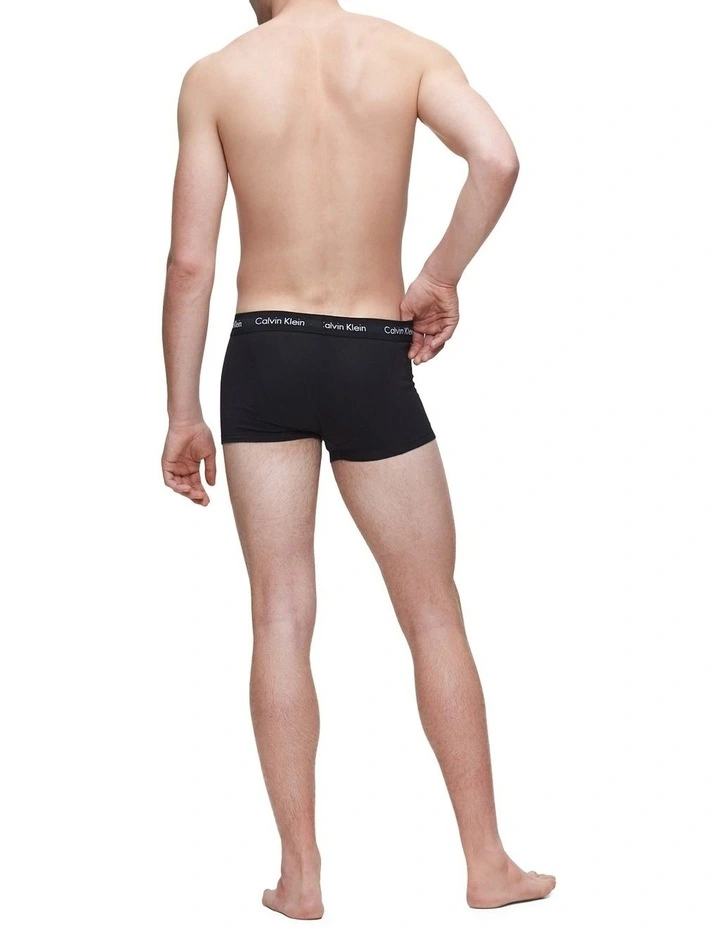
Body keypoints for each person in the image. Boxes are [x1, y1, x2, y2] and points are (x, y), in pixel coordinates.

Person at [161, 0, 555, 919]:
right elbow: (497, 158)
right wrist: (440, 275)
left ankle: (301, 877)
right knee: (432, 614)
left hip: (264, 350)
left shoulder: (217, 75)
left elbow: (190, 263)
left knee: (280, 617)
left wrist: (182, 412)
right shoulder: (408, 53)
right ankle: (488, 864)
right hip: (370, 353)